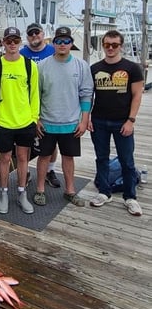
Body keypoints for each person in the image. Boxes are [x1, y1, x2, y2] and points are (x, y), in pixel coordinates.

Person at [34, 26, 93, 207]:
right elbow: (35, 95)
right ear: (53, 43)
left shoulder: (81, 66)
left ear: (71, 44)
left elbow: (85, 94)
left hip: (71, 123)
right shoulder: (42, 66)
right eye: (58, 41)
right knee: (43, 157)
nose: (62, 44)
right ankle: (40, 190)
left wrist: (84, 120)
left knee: (69, 157)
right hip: (47, 122)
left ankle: (70, 191)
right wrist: (37, 119)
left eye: (66, 41)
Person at [88, 30, 144, 216]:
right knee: (101, 158)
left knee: (127, 161)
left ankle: (130, 197)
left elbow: (137, 96)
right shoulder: (94, 68)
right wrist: (87, 118)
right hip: (99, 120)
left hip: (122, 121)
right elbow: (88, 96)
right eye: (107, 45)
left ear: (121, 46)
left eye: (115, 45)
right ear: (102, 45)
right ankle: (104, 192)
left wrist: (131, 120)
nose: (110, 48)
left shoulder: (132, 68)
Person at [0, 27, 39, 215]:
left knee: (23, 158)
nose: (12, 45)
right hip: (4, 123)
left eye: (16, 41)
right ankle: (4, 193)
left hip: (25, 122)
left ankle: (22, 193)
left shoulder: (29, 65)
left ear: (20, 42)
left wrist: (34, 118)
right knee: (5, 159)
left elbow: (34, 94)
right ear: (3, 43)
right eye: (9, 41)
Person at [20, 22, 61, 188]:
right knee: (26, 141)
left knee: (52, 141)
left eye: (37, 33)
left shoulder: (53, 50)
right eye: (31, 34)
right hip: (27, 103)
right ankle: (27, 171)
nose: (34, 36)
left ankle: (50, 171)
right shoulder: (22, 54)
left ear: (43, 34)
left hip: (50, 102)